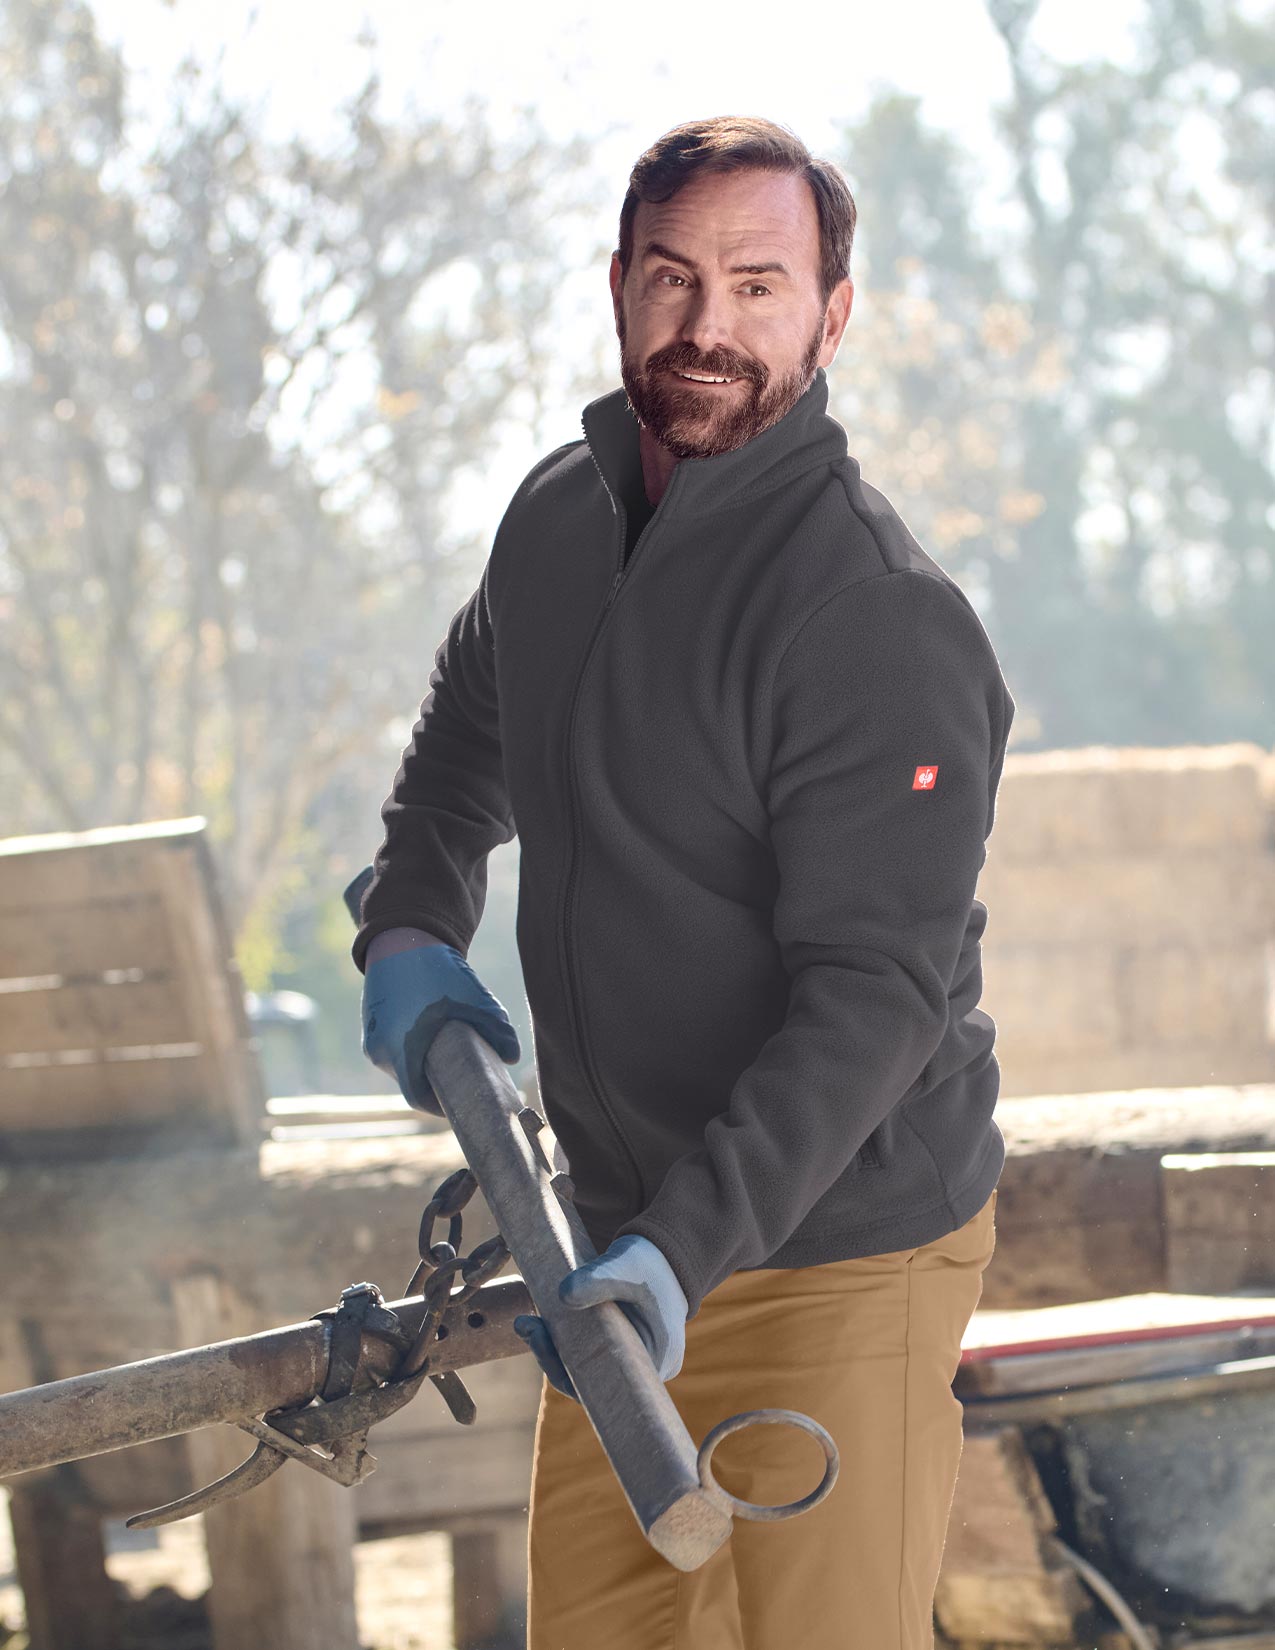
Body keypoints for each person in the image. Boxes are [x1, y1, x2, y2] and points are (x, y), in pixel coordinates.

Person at [353, 115, 1014, 1650]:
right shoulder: (554, 524)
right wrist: (410, 914)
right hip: (616, 1248)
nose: (709, 326)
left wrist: (680, 1251)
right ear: (619, 288)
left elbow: (875, 999)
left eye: (759, 284)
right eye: (673, 279)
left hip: (838, 1249)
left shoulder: (874, 618)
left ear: (832, 314)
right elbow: (469, 722)